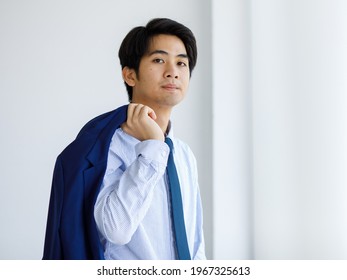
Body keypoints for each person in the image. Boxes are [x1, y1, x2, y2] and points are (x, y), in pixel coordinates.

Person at [43, 18, 205, 260]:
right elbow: (115, 230)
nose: (173, 71)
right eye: (159, 60)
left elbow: (195, 241)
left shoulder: (183, 154)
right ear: (130, 75)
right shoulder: (105, 148)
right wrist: (152, 149)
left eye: (181, 63)